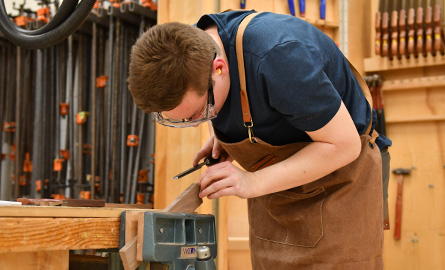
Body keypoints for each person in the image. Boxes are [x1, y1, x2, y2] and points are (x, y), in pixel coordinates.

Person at [128, 10, 392, 269]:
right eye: (185, 120)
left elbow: (344, 145)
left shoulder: (279, 57)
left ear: (218, 68)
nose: (199, 121)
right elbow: (226, 98)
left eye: (199, 114)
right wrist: (224, 134)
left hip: (339, 184)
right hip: (277, 195)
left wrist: (252, 181)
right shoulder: (191, 47)